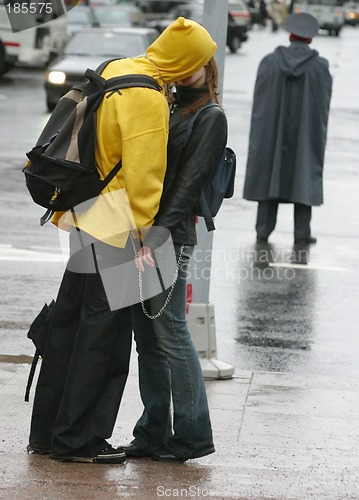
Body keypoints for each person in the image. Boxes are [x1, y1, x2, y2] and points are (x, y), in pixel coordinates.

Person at [26, 17, 218, 464]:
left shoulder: (117, 68)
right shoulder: (149, 97)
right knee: (104, 337)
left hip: (85, 215)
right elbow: (145, 178)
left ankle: (49, 433)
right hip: (121, 229)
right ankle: (80, 440)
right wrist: (147, 239)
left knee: (70, 326)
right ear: (187, 61)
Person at [119, 57, 228, 462]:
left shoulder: (211, 116)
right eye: (179, 64)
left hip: (168, 235)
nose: (185, 71)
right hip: (139, 232)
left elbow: (189, 182)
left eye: (194, 65)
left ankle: (194, 434)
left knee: (171, 334)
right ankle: (152, 431)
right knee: (147, 339)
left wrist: (159, 235)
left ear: (209, 69)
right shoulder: (167, 106)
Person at [243, 13, 332, 245]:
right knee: (304, 171)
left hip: (271, 133)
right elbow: (322, 106)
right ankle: (301, 232)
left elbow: (260, 104)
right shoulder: (320, 68)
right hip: (306, 133)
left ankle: (263, 229)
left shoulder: (269, 62)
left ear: (290, 36)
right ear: (310, 40)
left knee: (269, 174)